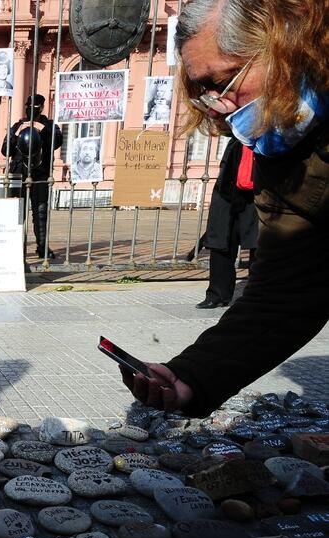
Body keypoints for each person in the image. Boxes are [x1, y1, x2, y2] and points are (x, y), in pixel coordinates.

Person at [122, 0, 329, 417]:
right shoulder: (283, 143)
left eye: (223, 82)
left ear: (283, 44)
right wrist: (192, 378)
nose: (220, 105)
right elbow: (284, 295)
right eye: (204, 93)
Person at [197, 139, 258, 309]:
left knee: (259, 244)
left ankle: (256, 297)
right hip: (230, 181)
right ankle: (217, 294)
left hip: (261, 185)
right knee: (221, 238)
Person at [3, 94, 63, 259]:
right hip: (18, 173)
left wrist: (41, 129)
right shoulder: (18, 125)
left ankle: (42, 246)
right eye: (28, 105)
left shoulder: (49, 125)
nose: (31, 109)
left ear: (42, 107)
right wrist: (17, 134)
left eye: (35, 106)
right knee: (16, 212)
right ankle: (15, 246)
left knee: (41, 211)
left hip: (40, 173)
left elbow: (57, 141)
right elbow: (4, 149)